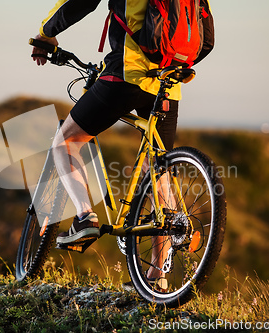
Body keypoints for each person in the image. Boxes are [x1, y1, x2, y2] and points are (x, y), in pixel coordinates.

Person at [32, 0, 214, 278]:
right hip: (169, 81)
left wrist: (46, 33)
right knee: (159, 169)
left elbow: (80, 2)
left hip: (126, 73)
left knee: (65, 141)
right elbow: (206, 36)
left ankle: (84, 218)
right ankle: (157, 279)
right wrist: (167, 61)